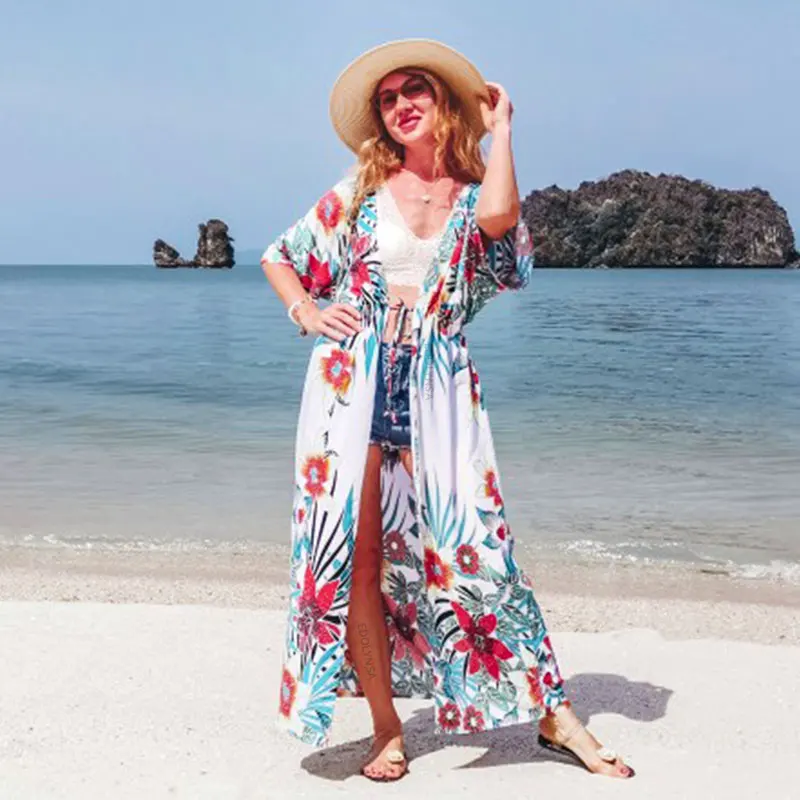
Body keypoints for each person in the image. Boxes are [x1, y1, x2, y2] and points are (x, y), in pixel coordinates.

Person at [260, 39, 634, 782]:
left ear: (442, 104)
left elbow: (499, 223)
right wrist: (308, 311)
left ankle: (556, 716)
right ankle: (386, 728)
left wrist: (503, 132)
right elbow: (280, 255)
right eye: (388, 98)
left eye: (415, 91)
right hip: (351, 386)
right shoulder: (359, 192)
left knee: (481, 551)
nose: (401, 105)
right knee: (356, 561)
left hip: (438, 388)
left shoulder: (470, 192)